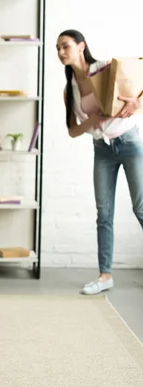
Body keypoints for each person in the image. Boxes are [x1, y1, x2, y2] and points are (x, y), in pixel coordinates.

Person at [57, 29, 143, 295]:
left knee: (140, 208)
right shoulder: (69, 88)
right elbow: (73, 130)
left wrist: (137, 103)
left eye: (65, 46)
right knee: (103, 215)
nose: (61, 52)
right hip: (102, 150)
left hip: (128, 143)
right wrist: (90, 123)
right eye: (58, 48)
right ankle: (105, 276)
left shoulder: (106, 68)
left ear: (81, 46)